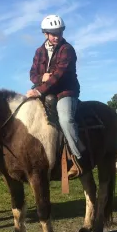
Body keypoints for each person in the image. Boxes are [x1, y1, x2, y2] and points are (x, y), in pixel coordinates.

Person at [26, 14, 88, 178]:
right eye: (53, 33)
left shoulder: (67, 49)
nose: (57, 36)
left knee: (66, 119)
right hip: (45, 89)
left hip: (65, 91)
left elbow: (59, 75)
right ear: (45, 34)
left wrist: (39, 90)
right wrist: (41, 79)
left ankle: (77, 158)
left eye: (59, 32)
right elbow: (33, 74)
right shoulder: (39, 51)